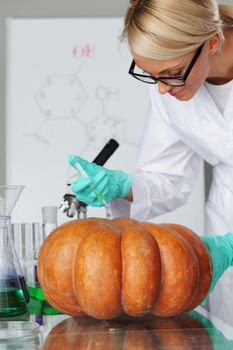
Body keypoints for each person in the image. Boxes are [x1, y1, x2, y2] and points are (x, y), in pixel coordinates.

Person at [68, 1, 233, 326]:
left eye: (171, 74)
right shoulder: (170, 91)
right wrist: (122, 185)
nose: (161, 88)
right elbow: (167, 178)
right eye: (151, 75)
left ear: (212, 41)